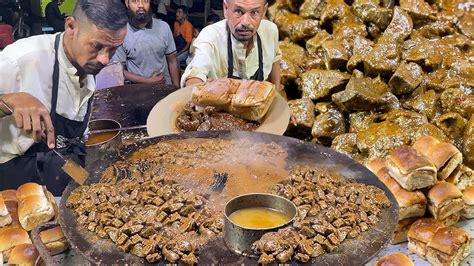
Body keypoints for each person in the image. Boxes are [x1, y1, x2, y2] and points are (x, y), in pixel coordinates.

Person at [0, 0, 127, 195]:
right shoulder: (20, 60)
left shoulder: (87, 64)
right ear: (71, 27)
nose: (105, 59)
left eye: (113, 49)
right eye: (97, 46)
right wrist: (8, 101)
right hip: (16, 186)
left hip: (59, 173)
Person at [181, 0, 281, 91]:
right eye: (238, 11)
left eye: (254, 12)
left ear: (263, 11)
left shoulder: (270, 31)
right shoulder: (211, 36)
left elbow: (275, 61)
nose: (245, 22)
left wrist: (276, 97)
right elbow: (194, 76)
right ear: (226, 8)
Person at [113, 0, 180, 86]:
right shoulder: (121, 32)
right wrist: (148, 81)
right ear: (127, 3)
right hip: (138, 92)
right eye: (135, 1)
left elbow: (172, 61)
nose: (141, 5)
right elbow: (118, 70)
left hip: (165, 89)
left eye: (145, 1)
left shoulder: (164, 27)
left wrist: (176, 88)